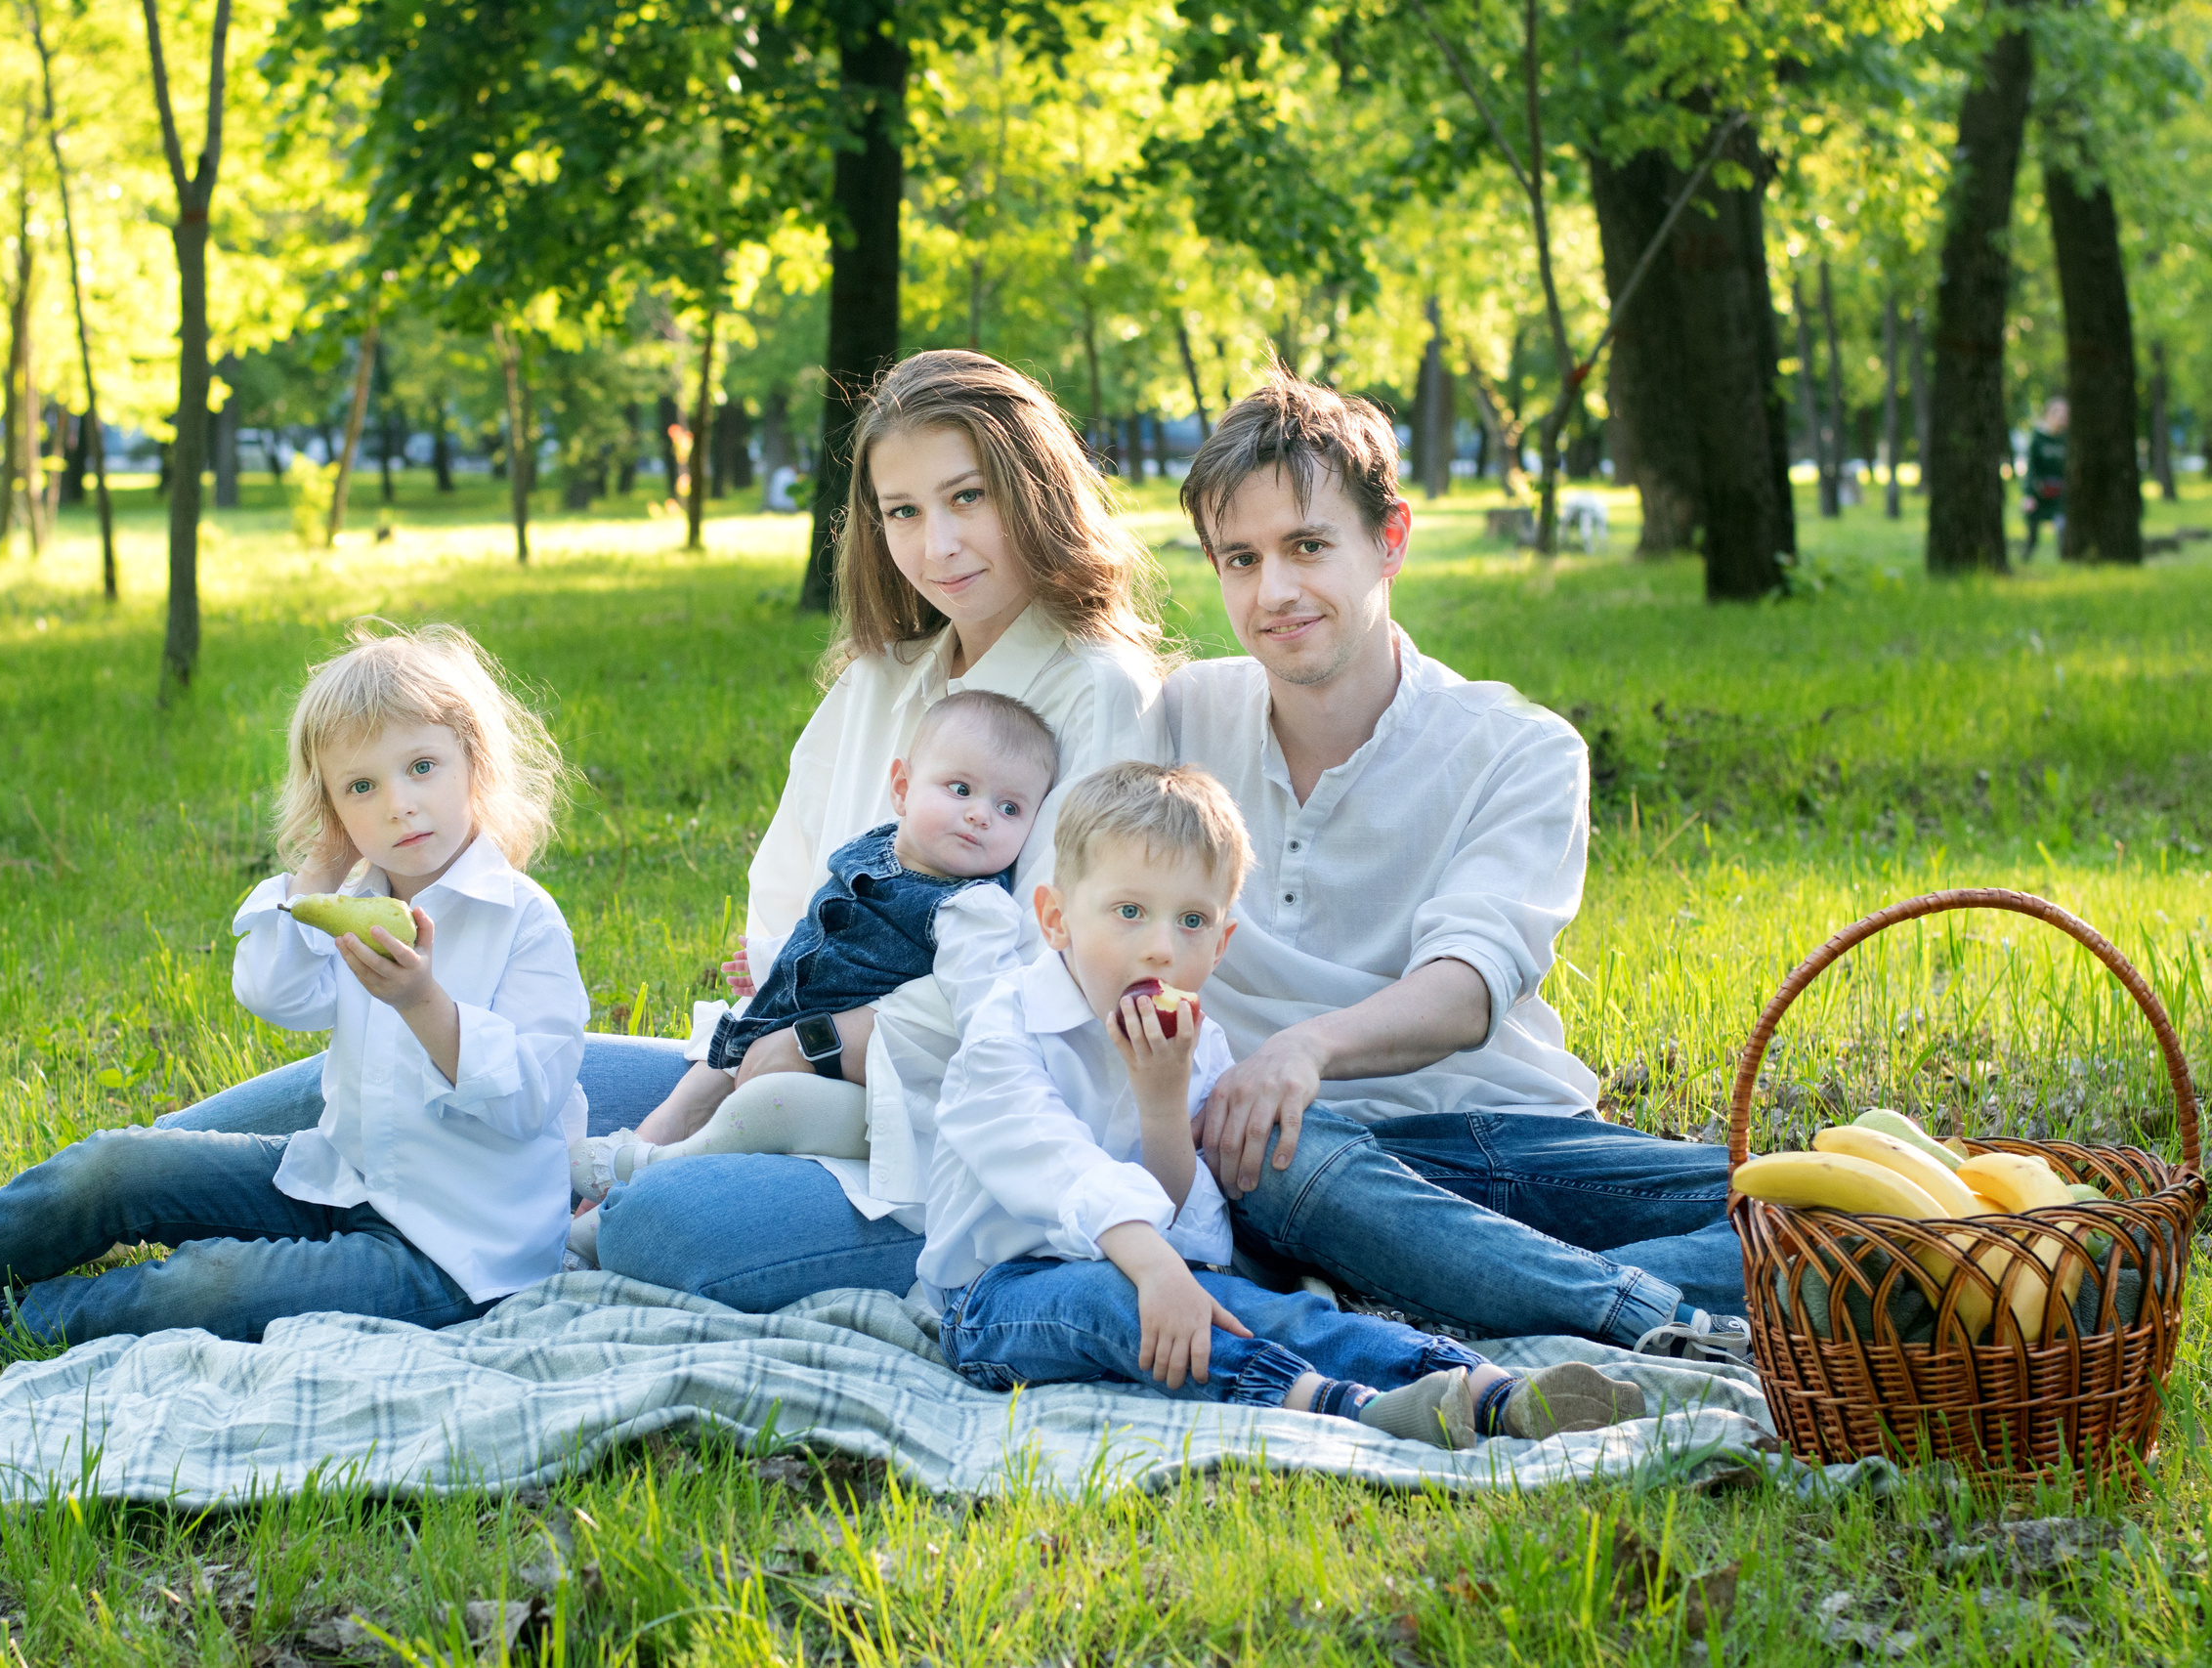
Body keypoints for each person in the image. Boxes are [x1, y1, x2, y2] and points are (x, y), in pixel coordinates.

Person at [0, 624, 590, 1361]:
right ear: (332, 807)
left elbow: (530, 1098)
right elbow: (274, 991)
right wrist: (318, 872)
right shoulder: (357, 902)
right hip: (337, 1177)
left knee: (210, 1284)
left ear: (473, 761)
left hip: (453, 1254)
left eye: (421, 767)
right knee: (116, 1166)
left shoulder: (523, 921)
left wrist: (423, 1003)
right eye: (361, 786)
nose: (398, 804)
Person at [1165, 369, 1748, 1360]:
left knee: (1828, 1207)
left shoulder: (1520, 748)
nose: (1274, 593)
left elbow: (1467, 988)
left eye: (1308, 546)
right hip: (1299, 1163)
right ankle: (1643, 1315)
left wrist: (1305, 1048)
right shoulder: (1177, 719)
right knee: (1256, 1147)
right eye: (1241, 559)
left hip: (1502, 1137)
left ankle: (1454, 1292)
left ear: (1389, 539)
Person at [588, 349, 1170, 1310]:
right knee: (482, 1086)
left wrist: (823, 1040)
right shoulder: (880, 680)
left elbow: (1053, 974)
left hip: (954, 1135)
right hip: (764, 1057)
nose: (937, 544)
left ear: (1035, 491)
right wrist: (780, 1025)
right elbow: (782, 897)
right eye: (902, 511)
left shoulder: (1097, 691)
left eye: (967, 497)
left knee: (652, 1220)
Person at [928, 761, 1645, 1446]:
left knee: (1265, 1310)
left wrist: (1161, 1102)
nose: (1161, 949)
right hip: (995, 1297)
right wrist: (1154, 1268)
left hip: (1159, 1271)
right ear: (1055, 918)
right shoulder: (1005, 1028)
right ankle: (1340, 1406)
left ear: (1221, 943)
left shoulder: (1193, 1044)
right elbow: (1053, 1162)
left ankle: (1483, 1388)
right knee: (1116, 1302)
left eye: (1191, 921)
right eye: (1129, 911)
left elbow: (1185, 1220)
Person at [570, 691, 1059, 1198]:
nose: (981, 815)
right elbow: (829, 928)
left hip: (858, 1090)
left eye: (1009, 808)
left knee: (766, 1106)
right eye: (961, 789)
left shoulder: (973, 908)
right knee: (713, 1066)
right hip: (789, 1027)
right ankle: (606, 1205)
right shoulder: (879, 847)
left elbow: (983, 1001)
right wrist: (768, 960)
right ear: (902, 788)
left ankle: (656, 1166)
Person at [2021, 397, 2068, 563]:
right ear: (2047, 415)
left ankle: (2065, 562)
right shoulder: (2038, 439)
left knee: (2063, 529)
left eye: (2065, 413)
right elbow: (2031, 469)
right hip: (2040, 492)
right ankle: (2025, 560)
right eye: (2056, 412)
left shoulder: (2068, 440)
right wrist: (2029, 494)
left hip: (2061, 495)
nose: (2061, 416)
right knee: (2032, 535)